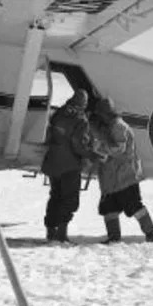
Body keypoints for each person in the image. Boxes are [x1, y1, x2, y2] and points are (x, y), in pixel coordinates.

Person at [90, 97, 153, 243]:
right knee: (108, 208)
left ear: (106, 113)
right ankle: (113, 237)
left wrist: (99, 148)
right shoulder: (108, 126)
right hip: (111, 176)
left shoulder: (119, 127)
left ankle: (151, 233)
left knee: (134, 205)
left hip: (125, 176)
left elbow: (118, 149)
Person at [40, 89, 101, 244]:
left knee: (55, 196)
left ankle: (50, 231)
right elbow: (79, 144)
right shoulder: (80, 119)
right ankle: (61, 235)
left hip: (53, 162)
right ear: (83, 103)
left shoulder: (59, 113)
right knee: (69, 200)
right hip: (70, 165)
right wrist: (92, 154)